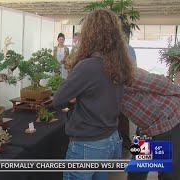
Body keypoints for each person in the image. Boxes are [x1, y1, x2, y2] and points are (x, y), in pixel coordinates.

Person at [53, 9, 134, 180]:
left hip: (88, 144)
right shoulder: (119, 63)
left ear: (90, 33)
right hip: (111, 138)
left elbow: (58, 98)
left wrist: (73, 101)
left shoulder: (88, 65)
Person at [121, 68, 180, 180]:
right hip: (147, 129)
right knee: (137, 171)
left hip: (167, 122)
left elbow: (161, 83)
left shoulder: (123, 71)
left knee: (168, 174)